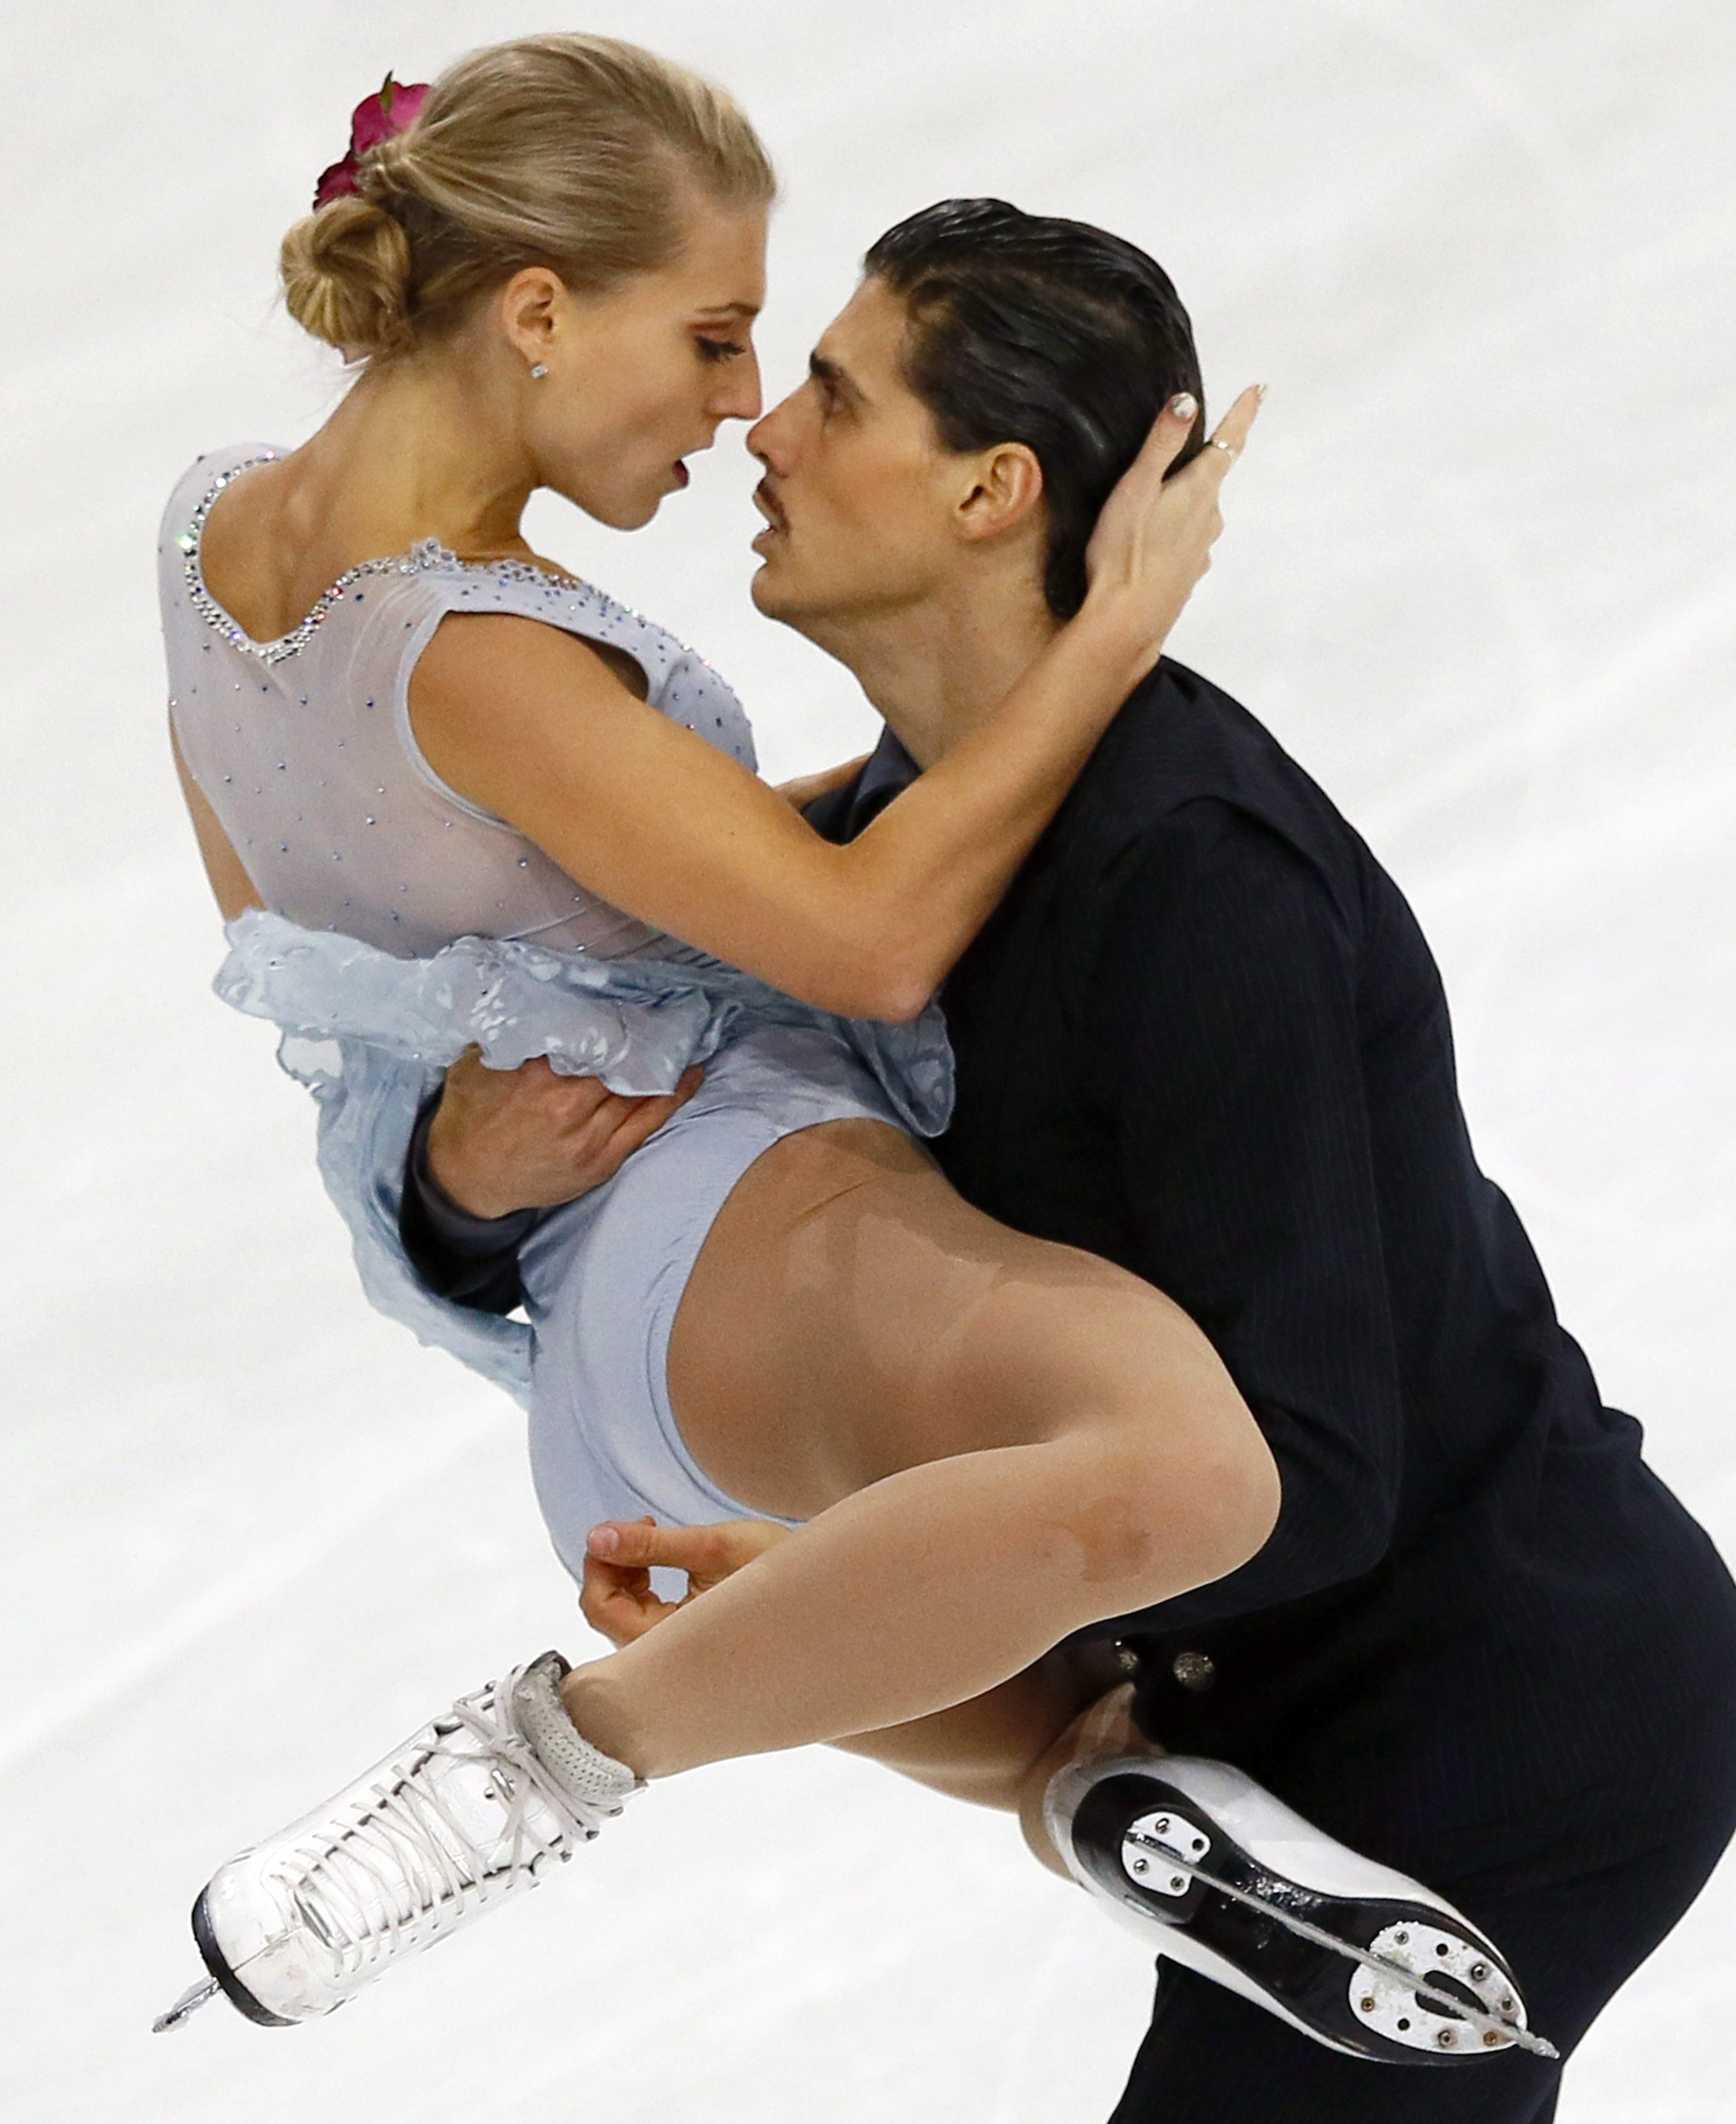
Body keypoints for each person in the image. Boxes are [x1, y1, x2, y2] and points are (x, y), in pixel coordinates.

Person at [152, 36, 1533, 2068]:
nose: (740, 408)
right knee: (1185, 1463)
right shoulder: (484, 649)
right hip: (754, 1227)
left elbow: (335, 957)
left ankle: (1086, 1800)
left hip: (623, 1412)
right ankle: (527, 1771)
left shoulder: (212, 549)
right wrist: (1109, 635)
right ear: (539, 311)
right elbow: (874, 945)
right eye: (715, 339)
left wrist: (448, 1183)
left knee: (1046, 1688)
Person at [406, 197, 1736, 2120]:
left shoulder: (1201, 882)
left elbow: (1317, 1479)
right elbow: (570, 1172)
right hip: (1251, 1727)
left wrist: (902, 1568)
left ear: (993, 491)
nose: (766, 438)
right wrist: (469, 1184)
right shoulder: (883, 841)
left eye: (833, 395)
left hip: (1509, 1714)